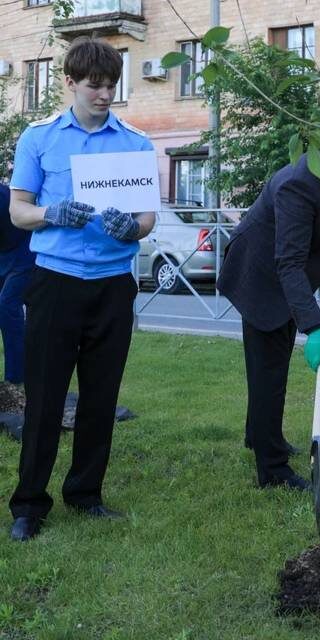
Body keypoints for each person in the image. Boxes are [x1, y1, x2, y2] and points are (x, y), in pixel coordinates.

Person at [7, 38, 156, 542]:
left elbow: (147, 218)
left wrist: (133, 229)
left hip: (112, 285)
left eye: (112, 84)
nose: (105, 94)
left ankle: (86, 494)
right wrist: (51, 213)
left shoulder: (135, 143)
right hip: (55, 282)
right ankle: (29, 504)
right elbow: (19, 210)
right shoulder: (39, 139)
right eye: (95, 85)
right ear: (70, 82)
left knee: (101, 395)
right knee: (45, 396)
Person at [217, 105, 320, 490]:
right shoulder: (298, 183)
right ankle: (272, 470)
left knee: (273, 363)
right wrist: (315, 327)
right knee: (268, 370)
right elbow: (287, 263)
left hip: (289, 273)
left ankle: (259, 434)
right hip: (260, 275)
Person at [0, 183, 34, 385]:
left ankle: (15, 379)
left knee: (7, 305)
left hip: (25, 251)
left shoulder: (2, 196)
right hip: (5, 253)